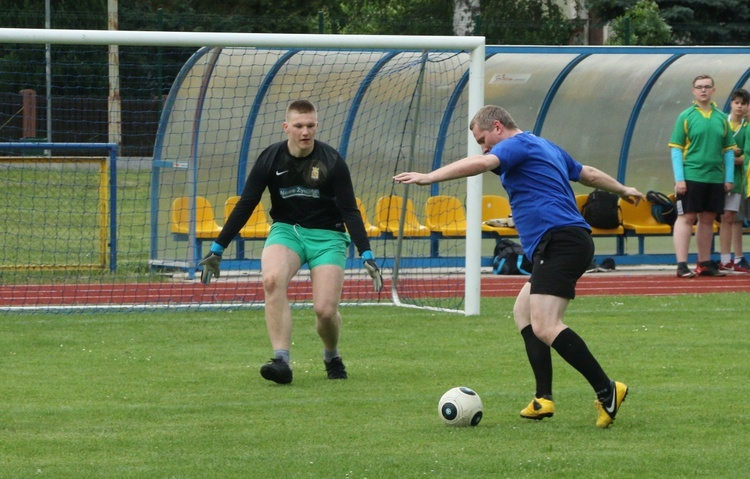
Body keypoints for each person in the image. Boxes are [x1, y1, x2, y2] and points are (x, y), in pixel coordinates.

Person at [393, 105, 645, 428]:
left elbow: (484, 163)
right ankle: (543, 399)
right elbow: (589, 175)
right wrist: (624, 189)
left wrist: (431, 177)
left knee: (546, 324)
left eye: (484, 140)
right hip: (567, 240)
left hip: (560, 240)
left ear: (498, 127)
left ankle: (607, 389)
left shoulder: (515, 144)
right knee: (523, 312)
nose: (484, 148)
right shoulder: (546, 145)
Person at [199, 99, 383, 385]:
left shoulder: (332, 161)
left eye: (310, 125)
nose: (305, 131)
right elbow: (247, 203)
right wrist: (217, 248)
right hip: (287, 232)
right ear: (287, 127)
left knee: (324, 311)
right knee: (272, 280)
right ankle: (281, 360)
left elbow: (349, 210)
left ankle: (331, 354)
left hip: (328, 236)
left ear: (316, 126)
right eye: (298, 125)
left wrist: (366, 252)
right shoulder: (271, 158)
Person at [668, 74, 736, 278]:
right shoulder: (686, 116)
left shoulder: (722, 118)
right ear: (693, 91)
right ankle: (681, 264)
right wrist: (680, 178)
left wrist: (729, 178)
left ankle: (704, 263)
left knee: (707, 219)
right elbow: (676, 149)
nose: (703, 90)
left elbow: (729, 150)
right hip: (691, 176)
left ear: (714, 90)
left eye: (707, 87)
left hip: (714, 178)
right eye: (699, 87)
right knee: (686, 217)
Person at [718, 89, 750, 273]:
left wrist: (729, 156)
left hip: (738, 181)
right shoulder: (722, 122)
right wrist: (729, 154)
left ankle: (737, 257)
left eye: (743, 103)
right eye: (736, 102)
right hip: (715, 177)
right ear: (731, 103)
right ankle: (717, 258)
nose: (739, 106)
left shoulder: (746, 127)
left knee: (734, 218)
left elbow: (747, 157)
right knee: (705, 217)